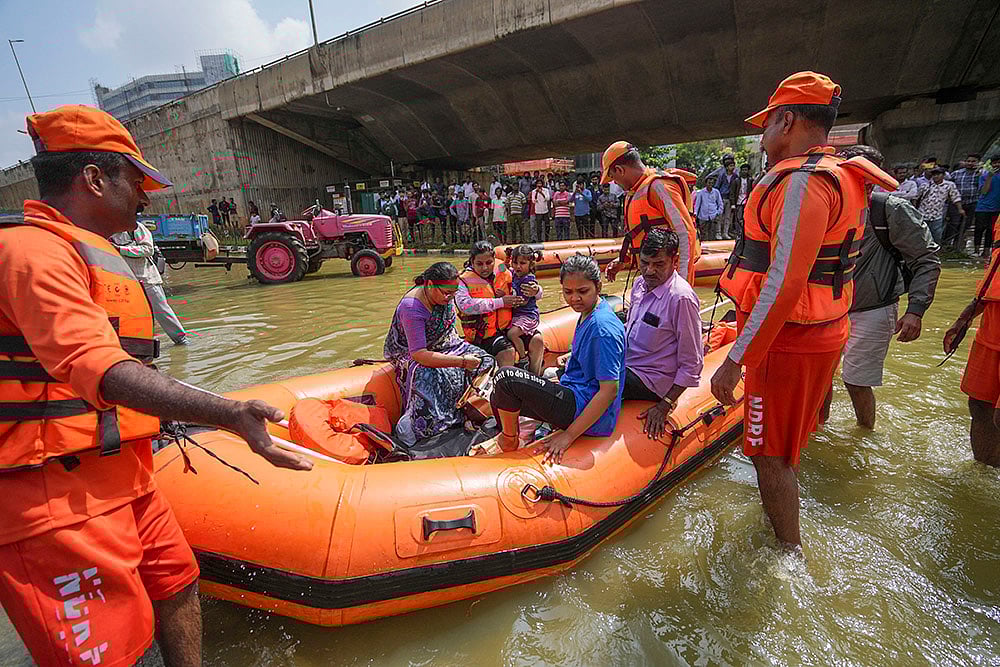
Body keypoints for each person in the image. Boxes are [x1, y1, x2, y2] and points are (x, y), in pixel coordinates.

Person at [0, 105, 312, 667]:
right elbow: (97, 365)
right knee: (109, 648)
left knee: (178, 581)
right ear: (94, 179)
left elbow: (128, 365)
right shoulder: (32, 253)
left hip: (125, 474)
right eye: (135, 181)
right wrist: (228, 413)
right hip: (52, 495)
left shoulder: (94, 251)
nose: (146, 198)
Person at [711, 71, 897, 550]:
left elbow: (786, 281)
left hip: (788, 342)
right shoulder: (840, 175)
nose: (762, 135)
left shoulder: (802, 182)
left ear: (788, 119)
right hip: (823, 330)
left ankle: (788, 554)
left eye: (768, 124)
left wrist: (735, 362)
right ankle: (786, 511)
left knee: (768, 455)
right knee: (784, 446)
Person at [818, 145, 941, 429]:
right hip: (828, 308)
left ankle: (864, 435)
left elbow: (926, 259)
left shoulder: (891, 210)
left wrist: (916, 310)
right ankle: (819, 430)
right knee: (820, 378)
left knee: (856, 381)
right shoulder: (826, 203)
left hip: (873, 308)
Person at [490, 254, 625, 460]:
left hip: (583, 407)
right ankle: (515, 434)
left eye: (582, 291)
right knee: (498, 396)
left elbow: (609, 391)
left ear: (598, 286)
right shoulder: (591, 311)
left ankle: (509, 440)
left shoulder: (602, 328)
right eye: (568, 292)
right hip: (575, 391)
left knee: (506, 379)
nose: (574, 299)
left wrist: (569, 435)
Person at [385, 262, 495, 446]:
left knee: (486, 360)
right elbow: (419, 354)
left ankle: (467, 410)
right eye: (446, 293)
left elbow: (450, 332)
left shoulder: (446, 297)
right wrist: (460, 362)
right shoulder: (412, 307)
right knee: (428, 375)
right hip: (411, 353)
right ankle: (427, 426)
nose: (451, 298)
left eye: (454, 292)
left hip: (446, 344)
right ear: (429, 285)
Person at [622, 229, 703, 441]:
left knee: (598, 380)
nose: (649, 271)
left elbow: (692, 363)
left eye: (658, 265)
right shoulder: (640, 284)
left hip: (652, 382)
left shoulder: (680, 298)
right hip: (629, 367)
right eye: (645, 263)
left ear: (674, 261)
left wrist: (665, 404)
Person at [600, 142, 700, 286]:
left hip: (668, 279)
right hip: (651, 276)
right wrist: (624, 259)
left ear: (620, 170)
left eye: (613, 177)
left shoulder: (659, 187)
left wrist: (682, 285)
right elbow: (641, 234)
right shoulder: (635, 191)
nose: (615, 183)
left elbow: (686, 234)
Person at [945, 210, 1000, 467]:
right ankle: (984, 471)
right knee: (979, 406)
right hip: (990, 332)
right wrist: (964, 319)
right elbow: (993, 276)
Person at [111, 221, 190, 346]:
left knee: (161, 310)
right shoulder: (106, 232)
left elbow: (148, 249)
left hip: (146, 278)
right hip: (123, 281)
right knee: (129, 314)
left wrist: (121, 249)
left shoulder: (136, 228)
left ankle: (180, 339)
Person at [456, 241, 533, 368]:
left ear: (494, 260)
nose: (485, 268)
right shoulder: (462, 280)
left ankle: (530, 373)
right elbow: (466, 306)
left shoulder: (501, 270)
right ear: (471, 261)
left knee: (536, 340)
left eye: (489, 263)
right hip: (479, 337)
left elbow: (522, 276)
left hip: (504, 329)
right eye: (479, 264)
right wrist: (501, 302)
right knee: (507, 351)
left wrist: (537, 291)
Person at [505, 245, 545, 374]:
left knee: (512, 334)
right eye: (515, 262)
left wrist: (503, 299)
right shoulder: (514, 273)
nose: (518, 266)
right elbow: (501, 268)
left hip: (527, 315)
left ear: (530, 264)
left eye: (522, 263)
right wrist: (505, 260)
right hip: (517, 315)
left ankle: (523, 358)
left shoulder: (528, 279)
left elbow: (523, 301)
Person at [917, 166, 963, 244]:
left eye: (938, 174)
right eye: (934, 174)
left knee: (936, 235)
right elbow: (916, 197)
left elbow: (955, 197)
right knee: (921, 235)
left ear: (943, 175)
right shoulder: (926, 185)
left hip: (937, 214)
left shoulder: (949, 185)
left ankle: (934, 252)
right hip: (922, 213)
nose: (936, 176)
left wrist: (960, 209)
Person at [948, 153, 983, 249]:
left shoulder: (980, 174)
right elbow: (949, 187)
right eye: (968, 161)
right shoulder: (956, 173)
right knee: (954, 224)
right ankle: (947, 244)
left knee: (966, 224)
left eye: (973, 161)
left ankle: (957, 244)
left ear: (978, 163)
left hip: (972, 202)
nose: (970, 163)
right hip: (956, 203)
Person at [974, 156, 1000, 256]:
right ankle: (976, 250)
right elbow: (984, 191)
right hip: (983, 207)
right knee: (979, 228)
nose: (997, 165)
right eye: (994, 163)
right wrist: (989, 176)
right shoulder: (984, 176)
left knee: (991, 230)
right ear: (991, 164)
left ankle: (986, 251)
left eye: (999, 163)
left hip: (996, 208)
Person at [693, 175, 724, 241]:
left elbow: (720, 203)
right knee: (703, 233)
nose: (710, 184)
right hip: (703, 216)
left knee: (712, 233)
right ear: (706, 183)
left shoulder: (716, 192)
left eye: (712, 183)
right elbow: (697, 204)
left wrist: (718, 212)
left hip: (713, 215)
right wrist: (695, 213)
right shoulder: (701, 192)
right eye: (709, 183)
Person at [731, 164, 752, 239]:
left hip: (747, 202)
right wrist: (733, 204)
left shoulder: (750, 180)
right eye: (743, 170)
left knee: (746, 218)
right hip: (738, 202)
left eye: (746, 170)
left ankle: (745, 233)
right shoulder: (736, 181)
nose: (744, 172)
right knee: (738, 218)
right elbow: (732, 192)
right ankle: (738, 233)